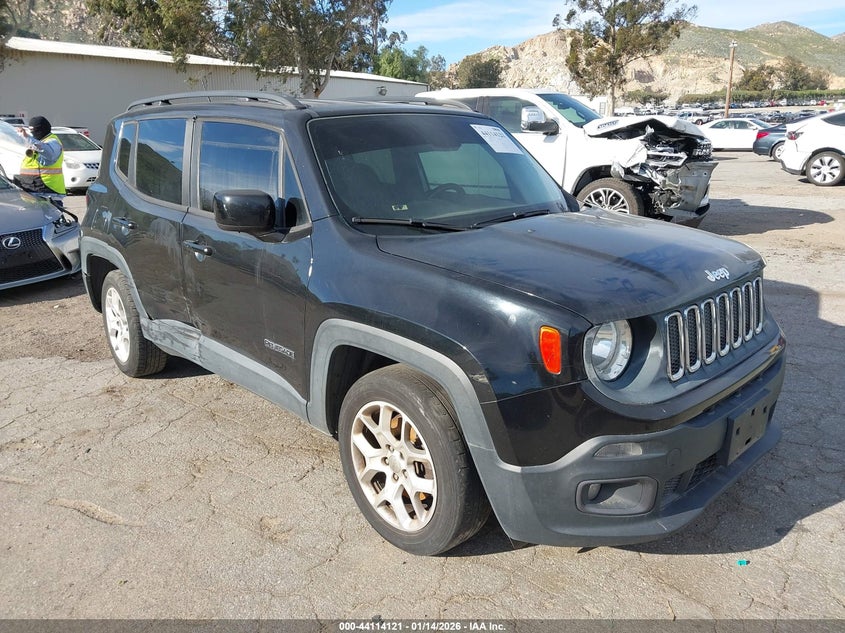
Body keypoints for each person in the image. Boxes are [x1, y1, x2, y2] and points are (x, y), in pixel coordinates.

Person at [16, 116, 66, 197]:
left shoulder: (52, 141)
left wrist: (28, 138)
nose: (32, 133)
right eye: (30, 130)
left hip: (48, 191)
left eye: (33, 130)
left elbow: (49, 153)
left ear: (42, 129)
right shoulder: (37, 141)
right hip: (32, 190)